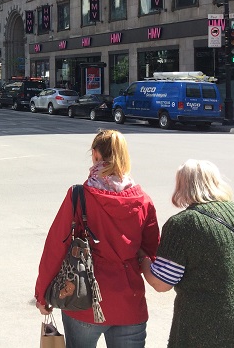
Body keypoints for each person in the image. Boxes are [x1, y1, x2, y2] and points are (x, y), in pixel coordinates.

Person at [35, 129, 159, 348]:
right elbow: (152, 254)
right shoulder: (143, 200)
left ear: (95, 154)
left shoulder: (79, 196)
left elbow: (56, 246)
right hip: (129, 303)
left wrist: (43, 295)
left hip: (84, 301)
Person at [139, 160, 234, 348]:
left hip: (216, 334)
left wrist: (142, 258)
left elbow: (161, 282)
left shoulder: (184, 224)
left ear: (183, 185)